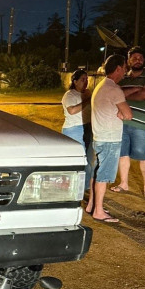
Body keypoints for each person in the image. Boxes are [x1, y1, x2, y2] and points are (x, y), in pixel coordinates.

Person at [86, 54, 133, 222]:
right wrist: (121, 113)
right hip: (110, 139)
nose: (125, 72)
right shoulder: (114, 89)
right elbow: (128, 114)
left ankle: (92, 204)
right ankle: (99, 211)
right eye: (125, 68)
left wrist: (119, 112)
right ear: (118, 68)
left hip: (99, 137)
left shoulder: (100, 86)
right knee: (104, 175)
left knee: (97, 172)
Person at [111, 46, 145, 198]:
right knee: (123, 154)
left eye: (140, 58)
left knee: (143, 155)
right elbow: (114, 94)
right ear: (128, 60)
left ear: (144, 61)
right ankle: (123, 183)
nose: (137, 60)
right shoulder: (123, 77)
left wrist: (123, 95)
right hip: (121, 123)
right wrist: (134, 90)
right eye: (134, 58)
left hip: (141, 123)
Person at [61, 68, 93, 197]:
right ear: (75, 81)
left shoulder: (87, 93)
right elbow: (72, 111)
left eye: (87, 79)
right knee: (78, 161)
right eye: (82, 79)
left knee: (90, 161)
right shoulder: (69, 95)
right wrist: (87, 100)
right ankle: (71, 189)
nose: (85, 82)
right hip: (74, 129)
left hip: (88, 128)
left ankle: (86, 188)